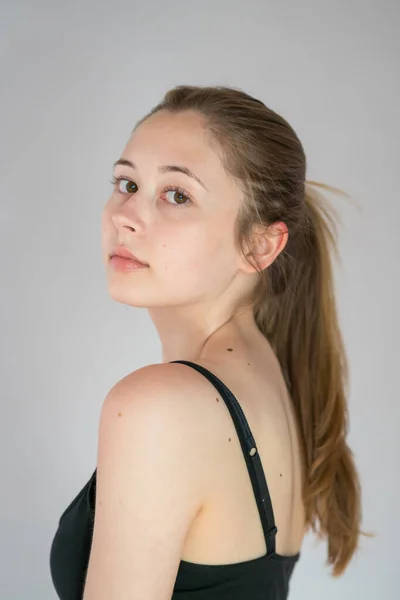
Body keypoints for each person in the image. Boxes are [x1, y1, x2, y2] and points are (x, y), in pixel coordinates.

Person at [49, 85, 363, 600]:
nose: (125, 214)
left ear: (259, 245)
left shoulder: (161, 405)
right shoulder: (266, 376)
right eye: (126, 182)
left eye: (177, 195)